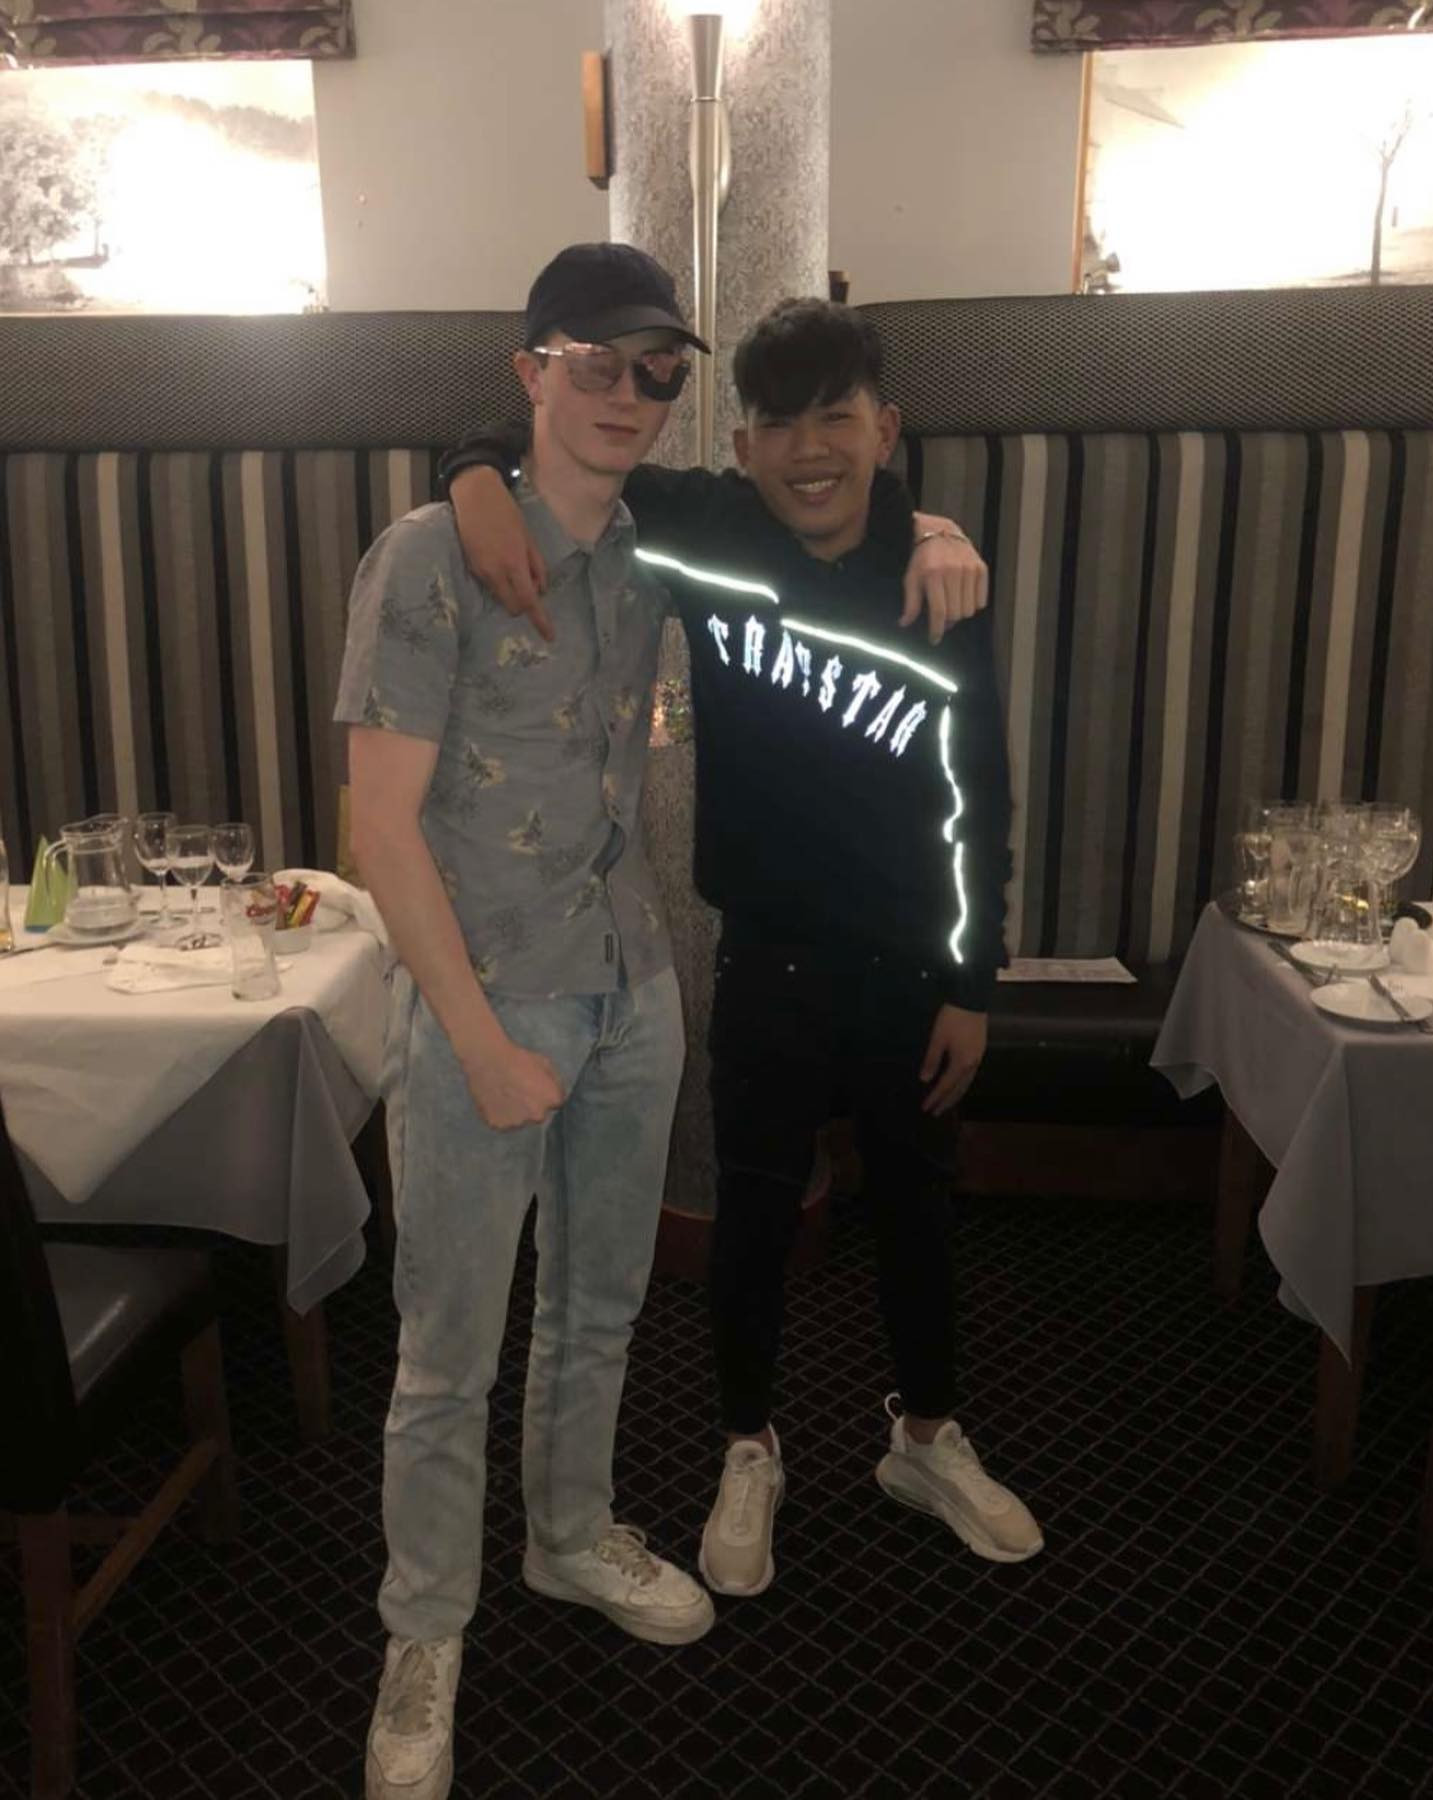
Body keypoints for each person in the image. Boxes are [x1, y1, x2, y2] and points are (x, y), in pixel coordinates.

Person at [442, 296, 1043, 1610]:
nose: (809, 448)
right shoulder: (709, 526)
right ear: (742, 443)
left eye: (837, 418)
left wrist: (973, 979)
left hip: (913, 960)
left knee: (918, 1210)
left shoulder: (939, 577)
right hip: (769, 952)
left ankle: (926, 1438)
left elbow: (979, 790)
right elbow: (549, 439)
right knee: (753, 1214)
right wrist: (472, 479)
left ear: (886, 429)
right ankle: (746, 1446)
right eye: (778, 423)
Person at [335, 242, 720, 1800]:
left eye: (659, 372)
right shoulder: (427, 557)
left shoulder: (650, 550)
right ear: (533, 370)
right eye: (598, 363)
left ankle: (566, 1537)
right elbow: (378, 829)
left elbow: (824, 515)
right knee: (447, 1354)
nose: (630, 393)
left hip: (634, 981)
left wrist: (939, 526)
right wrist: (481, 1043)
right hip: (484, 1000)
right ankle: (423, 1631)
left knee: (600, 1309)